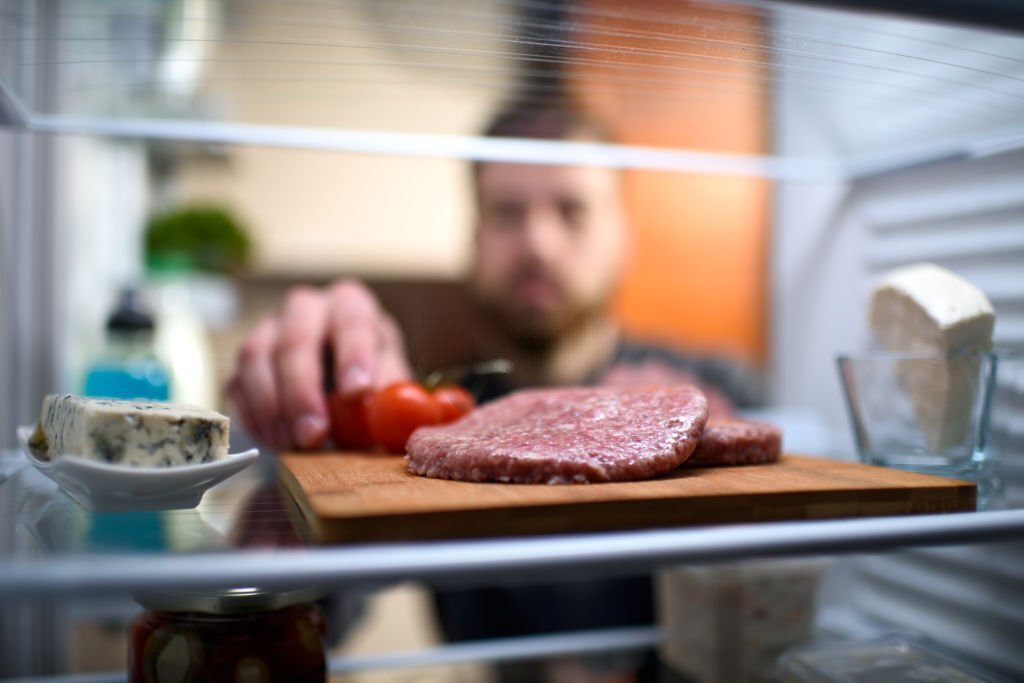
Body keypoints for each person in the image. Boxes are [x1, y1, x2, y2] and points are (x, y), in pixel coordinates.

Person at [228, 97, 762, 682]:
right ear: (476, 239)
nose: (537, 243)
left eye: (572, 210)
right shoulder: (437, 430)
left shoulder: (719, 388)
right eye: (507, 213)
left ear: (623, 236)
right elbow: (310, 618)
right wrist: (304, 450)